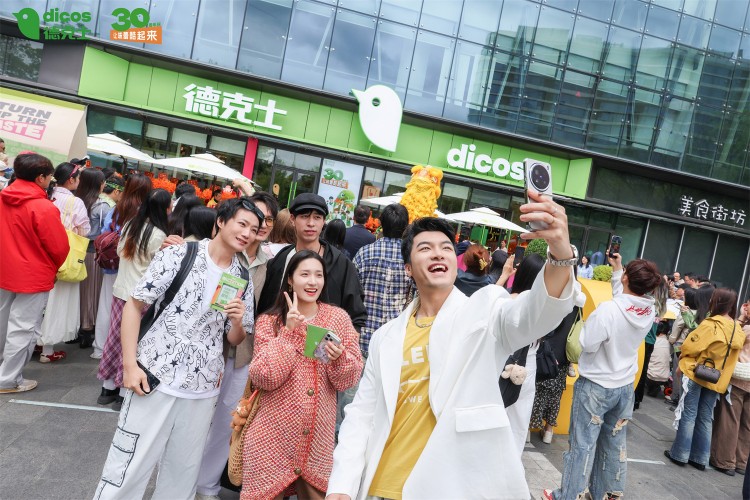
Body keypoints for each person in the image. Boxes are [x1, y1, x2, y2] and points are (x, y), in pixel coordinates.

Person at [327, 189, 579, 500]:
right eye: (425, 248)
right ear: (408, 268)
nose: (438, 253)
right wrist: (341, 487)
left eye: (445, 247)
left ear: (454, 261)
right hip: (381, 487)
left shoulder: (486, 309)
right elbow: (362, 415)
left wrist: (560, 253)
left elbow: (536, 313)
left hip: (450, 487)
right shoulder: (386, 337)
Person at [93, 197, 261, 500]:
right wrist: (129, 365)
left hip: (203, 387)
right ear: (221, 221)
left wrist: (237, 322)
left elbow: (235, 338)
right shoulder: (180, 254)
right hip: (154, 376)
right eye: (242, 224)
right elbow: (134, 305)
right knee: (129, 465)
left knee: (182, 472)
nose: (247, 233)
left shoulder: (241, 277)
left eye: (254, 229)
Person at [238, 250, 363, 499]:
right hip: (270, 440)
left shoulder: (338, 319)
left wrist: (340, 358)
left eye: (319, 275)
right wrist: (288, 333)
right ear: (290, 279)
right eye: (304, 274)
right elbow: (264, 377)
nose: (312, 281)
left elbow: (348, 380)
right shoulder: (270, 322)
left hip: (316, 443)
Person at [545, 254, 662, 500]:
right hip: (624, 386)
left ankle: (569, 495)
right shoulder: (647, 309)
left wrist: (587, 326)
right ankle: (605, 494)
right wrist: (618, 269)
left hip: (596, 386)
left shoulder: (608, 310)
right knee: (613, 445)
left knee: (582, 445)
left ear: (627, 278)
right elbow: (625, 298)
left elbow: (587, 344)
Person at [195, 192, 279, 500]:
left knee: (226, 422)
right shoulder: (220, 250)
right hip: (207, 349)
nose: (260, 225)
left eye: (267, 220)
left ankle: (206, 485)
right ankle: (181, 480)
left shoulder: (272, 261)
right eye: (255, 218)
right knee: (195, 419)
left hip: (242, 352)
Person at [0, 154, 68, 393]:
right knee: (24, 327)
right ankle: (8, 379)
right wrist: (54, 267)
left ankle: (4, 373)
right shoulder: (43, 207)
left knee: (3, 321)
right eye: (49, 176)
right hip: (33, 273)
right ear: (40, 178)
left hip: (4, 268)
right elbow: (59, 247)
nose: (50, 181)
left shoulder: (3, 198)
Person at [97, 188, 170, 410]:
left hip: (121, 290)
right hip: (141, 299)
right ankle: (122, 392)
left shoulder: (130, 225)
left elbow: (120, 252)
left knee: (114, 339)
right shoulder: (159, 235)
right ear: (165, 209)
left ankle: (107, 388)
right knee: (132, 343)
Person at [257, 193, 365, 332]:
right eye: (304, 216)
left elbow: (356, 317)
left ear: (324, 221)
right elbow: (266, 308)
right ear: (292, 219)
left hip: (325, 343)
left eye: (317, 217)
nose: (311, 223)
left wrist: (342, 343)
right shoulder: (280, 260)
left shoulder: (341, 264)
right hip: (281, 340)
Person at [665, 288, 745, 471]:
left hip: (698, 371)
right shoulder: (736, 329)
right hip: (718, 378)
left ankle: (680, 454)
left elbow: (690, 346)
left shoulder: (711, 324)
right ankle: (700, 458)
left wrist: (683, 361)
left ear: (717, 302)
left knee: (689, 414)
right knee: (705, 417)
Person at [91, 174, 152, 360]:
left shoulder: (117, 207)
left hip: (111, 263)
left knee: (105, 306)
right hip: (132, 268)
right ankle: (119, 350)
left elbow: (104, 232)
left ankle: (99, 348)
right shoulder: (144, 213)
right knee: (126, 311)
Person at [38, 162, 90, 363]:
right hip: (63, 257)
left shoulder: (46, 195)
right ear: (71, 179)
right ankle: (47, 349)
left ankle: (35, 341)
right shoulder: (75, 202)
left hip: (41, 253)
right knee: (56, 302)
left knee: (38, 301)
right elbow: (84, 231)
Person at [352, 203, 411, 359]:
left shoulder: (364, 253)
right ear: (405, 227)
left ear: (380, 224)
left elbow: (351, 292)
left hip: (363, 336)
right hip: (395, 338)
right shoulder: (411, 259)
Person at [709, 298, 750, 477]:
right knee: (747, 424)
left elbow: (732, 338)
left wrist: (741, 318)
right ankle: (742, 461)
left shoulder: (745, 329)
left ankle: (725, 460)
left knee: (730, 419)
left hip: (739, 379)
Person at [667, 285, 714, 406]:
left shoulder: (710, 314)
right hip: (691, 351)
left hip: (696, 354)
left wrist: (686, 314)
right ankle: (680, 401)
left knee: (685, 381)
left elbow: (695, 328)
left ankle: (678, 400)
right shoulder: (703, 312)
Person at [78, 168, 107, 349]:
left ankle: (77, 326)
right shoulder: (101, 206)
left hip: (75, 251)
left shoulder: (77, 201)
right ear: (99, 184)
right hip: (93, 252)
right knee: (91, 291)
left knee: (79, 291)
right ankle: (87, 329)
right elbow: (106, 231)